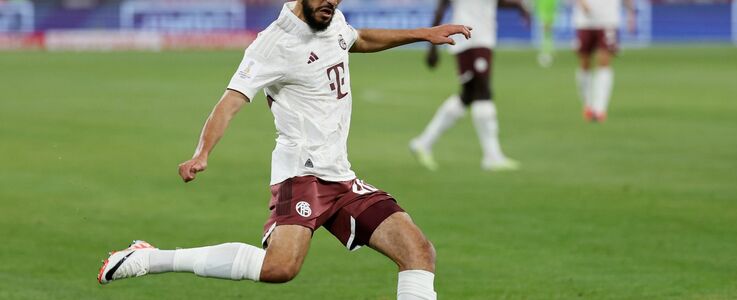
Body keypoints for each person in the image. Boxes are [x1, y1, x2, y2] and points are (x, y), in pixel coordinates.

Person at [97, 1, 472, 299]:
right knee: (280, 269)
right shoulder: (272, 44)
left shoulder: (332, 20)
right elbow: (229, 102)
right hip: (302, 174)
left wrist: (424, 34)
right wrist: (202, 153)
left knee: (418, 253)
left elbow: (356, 40)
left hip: (340, 175)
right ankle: (148, 258)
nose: (332, 3)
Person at [410, 0, 529, 172]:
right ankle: (492, 156)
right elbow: (442, 5)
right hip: (470, 38)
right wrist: (432, 47)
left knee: (468, 95)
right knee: (483, 91)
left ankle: (423, 143)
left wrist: (517, 6)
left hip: (483, 37)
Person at [574, 0, 635, 122]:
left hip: (608, 20)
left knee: (604, 61)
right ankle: (588, 104)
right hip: (585, 21)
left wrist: (630, 13)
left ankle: (600, 108)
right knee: (584, 62)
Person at [534, 0, 560, 67]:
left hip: (549, 14)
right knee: (546, 34)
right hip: (544, 14)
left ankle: (547, 52)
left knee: (547, 34)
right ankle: (547, 52)